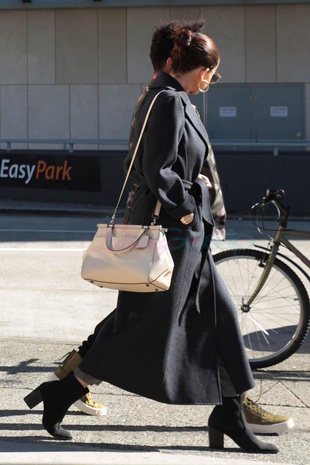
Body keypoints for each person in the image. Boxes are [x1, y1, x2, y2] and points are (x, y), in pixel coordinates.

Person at [24, 26, 280, 454]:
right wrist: (193, 196)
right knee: (141, 327)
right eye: (206, 71)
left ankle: (230, 412)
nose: (208, 81)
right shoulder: (168, 101)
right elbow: (155, 169)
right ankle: (64, 393)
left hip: (184, 234)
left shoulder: (170, 98)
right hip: (174, 234)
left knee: (218, 318)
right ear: (179, 65)